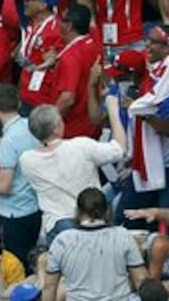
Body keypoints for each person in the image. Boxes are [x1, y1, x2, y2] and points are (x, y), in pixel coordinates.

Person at [19, 95, 128, 242]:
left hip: (55, 226)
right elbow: (119, 149)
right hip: (89, 222)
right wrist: (113, 111)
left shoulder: (26, 160)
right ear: (56, 128)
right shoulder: (81, 146)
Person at [44, 188, 147, 301]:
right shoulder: (123, 235)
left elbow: (50, 287)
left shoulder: (62, 241)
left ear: (78, 211)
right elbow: (141, 280)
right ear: (107, 211)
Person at [0, 83, 41, 267]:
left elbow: (5, 187)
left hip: (15, 213)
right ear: (19, 103)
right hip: (34, 207)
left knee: (17, 266)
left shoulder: (8, 141)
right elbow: (23, 156)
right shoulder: (29, 126)